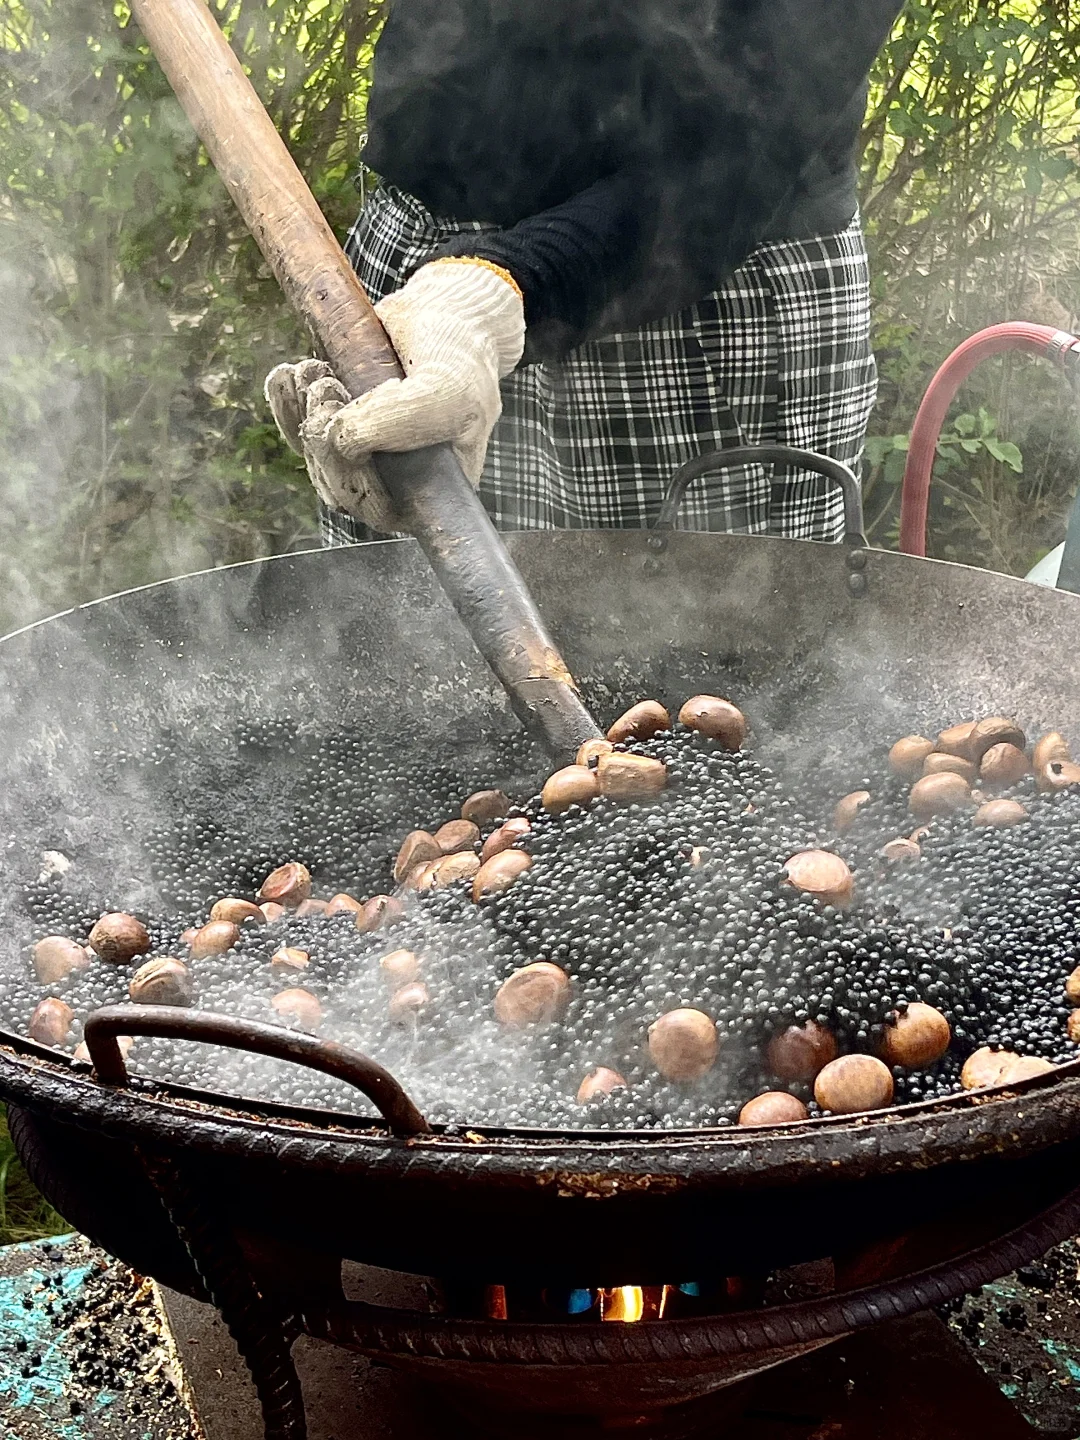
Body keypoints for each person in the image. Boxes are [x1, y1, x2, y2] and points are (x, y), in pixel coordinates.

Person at [267, 0, 904, 544]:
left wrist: (504, 285)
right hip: (418, 280)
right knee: (394, 634)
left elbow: (769, 105)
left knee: (710, 644)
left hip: (693, 275)